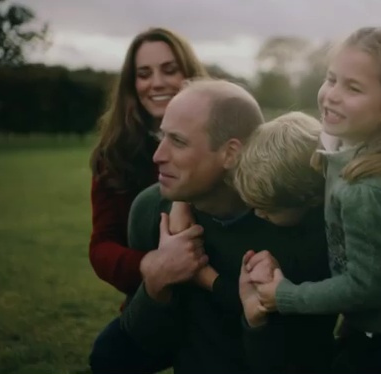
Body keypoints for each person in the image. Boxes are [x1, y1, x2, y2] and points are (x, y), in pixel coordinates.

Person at [243, 27, 381, 374]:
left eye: (353, 87)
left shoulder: (368, 190)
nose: (331, 95)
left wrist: (286, 296)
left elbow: (365, 287)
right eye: (331, 78)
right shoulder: (363, 145)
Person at [120, 78, 337, 374]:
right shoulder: (151, 210)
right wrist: (157, 281)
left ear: (231, 153)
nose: (158, 156)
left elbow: (303, 353)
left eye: (178, 142)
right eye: (162, 137)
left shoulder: (305, 216)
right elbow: (145, 343)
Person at [87, 27, 208, 373]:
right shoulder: (115, 155)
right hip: (155, 296)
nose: (156, 83)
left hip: (219, 298)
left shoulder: (224, 136)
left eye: (170, 70)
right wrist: (153, 265)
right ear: (132, 84)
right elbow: (102, 247)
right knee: (109, 356)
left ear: (190, 74)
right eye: (144, 74)